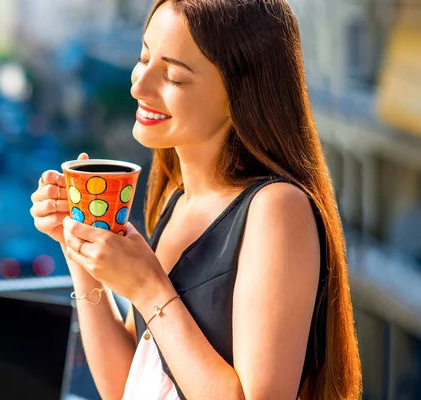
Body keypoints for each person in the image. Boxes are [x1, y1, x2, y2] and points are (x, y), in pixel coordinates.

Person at [30, 0, 362, 398]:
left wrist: (149, 288)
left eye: (172, 76)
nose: (138, 85)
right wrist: (79, 248)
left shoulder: (276, 208)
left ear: (240, 92)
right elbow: (129, 386)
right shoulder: (177, 201)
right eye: (144, 57)